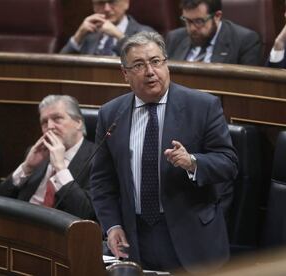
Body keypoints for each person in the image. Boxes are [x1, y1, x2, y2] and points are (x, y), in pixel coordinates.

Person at [90, 31, 238, 273]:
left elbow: (229, 163)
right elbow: (102, 181)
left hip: (192, 237)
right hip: (135, 238)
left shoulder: (202, 106)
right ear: (125, 74)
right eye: (139, 65)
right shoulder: (111, 114)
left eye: (156, 61)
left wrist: (192, 162)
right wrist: (113, 225)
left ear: (166, 64)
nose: (150, 71)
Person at [0, 95, 96, 220]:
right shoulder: (37, 155)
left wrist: (61, 169)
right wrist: (27, 167)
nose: (49, 126)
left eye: (57, 118)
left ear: (78, 123)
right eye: (44, 122)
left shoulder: (98, 158)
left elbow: (88, 214)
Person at [165, 0, 261, 65]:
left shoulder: (245, 41)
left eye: (199, 21)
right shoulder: (174, 38)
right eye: (187, 20)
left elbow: (246, 87)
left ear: (217, 16)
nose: (192, 28)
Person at [60, 0, 154, 56]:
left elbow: (147, 64)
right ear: (94, 6)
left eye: (112, 1)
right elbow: (59, 68)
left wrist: (119, 36)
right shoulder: (89, 34)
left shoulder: (145, 33)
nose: (107, 9)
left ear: (126, 3)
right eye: (100, 3)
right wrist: (78, 36)